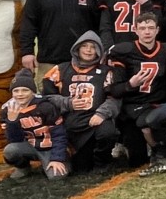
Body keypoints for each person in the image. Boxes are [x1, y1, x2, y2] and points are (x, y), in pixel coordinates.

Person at [108, 13, 166, 171]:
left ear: (157, 30)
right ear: (135, 30)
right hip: (133, 106)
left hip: (158, 104)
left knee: (151, 122)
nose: (147, 32)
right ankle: (155, 148)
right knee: (137, 161)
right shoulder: (124, 51)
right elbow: (114, 90)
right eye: (142, 28)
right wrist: (131, 84)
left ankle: (164, 152)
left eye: (151, 28)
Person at [40, 30, 120, 174]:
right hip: (69, 121)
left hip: (94, 119)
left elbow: (115, 98)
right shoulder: (60, 69)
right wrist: (67, 103)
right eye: (85, 46)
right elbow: (46, 99)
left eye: (93, 47)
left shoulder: (106, 72)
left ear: (99, 51)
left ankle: (102, 162)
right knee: (81, 168)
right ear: (77, 48)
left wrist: (102, 113)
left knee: (107, 132)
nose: (89, 50)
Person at [1, 69, 71, 181]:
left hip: (50, 147)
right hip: (30, 146)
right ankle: (23, 167)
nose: (20, 94)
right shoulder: (8, 109)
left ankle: (59, 160)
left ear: (33, 92)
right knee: (10, 150)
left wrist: (57, 158)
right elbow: (14, 140)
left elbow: (59, 134)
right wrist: (12, 122)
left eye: (25, 90)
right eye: (16, 91)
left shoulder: (45, 107)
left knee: (57, 176)